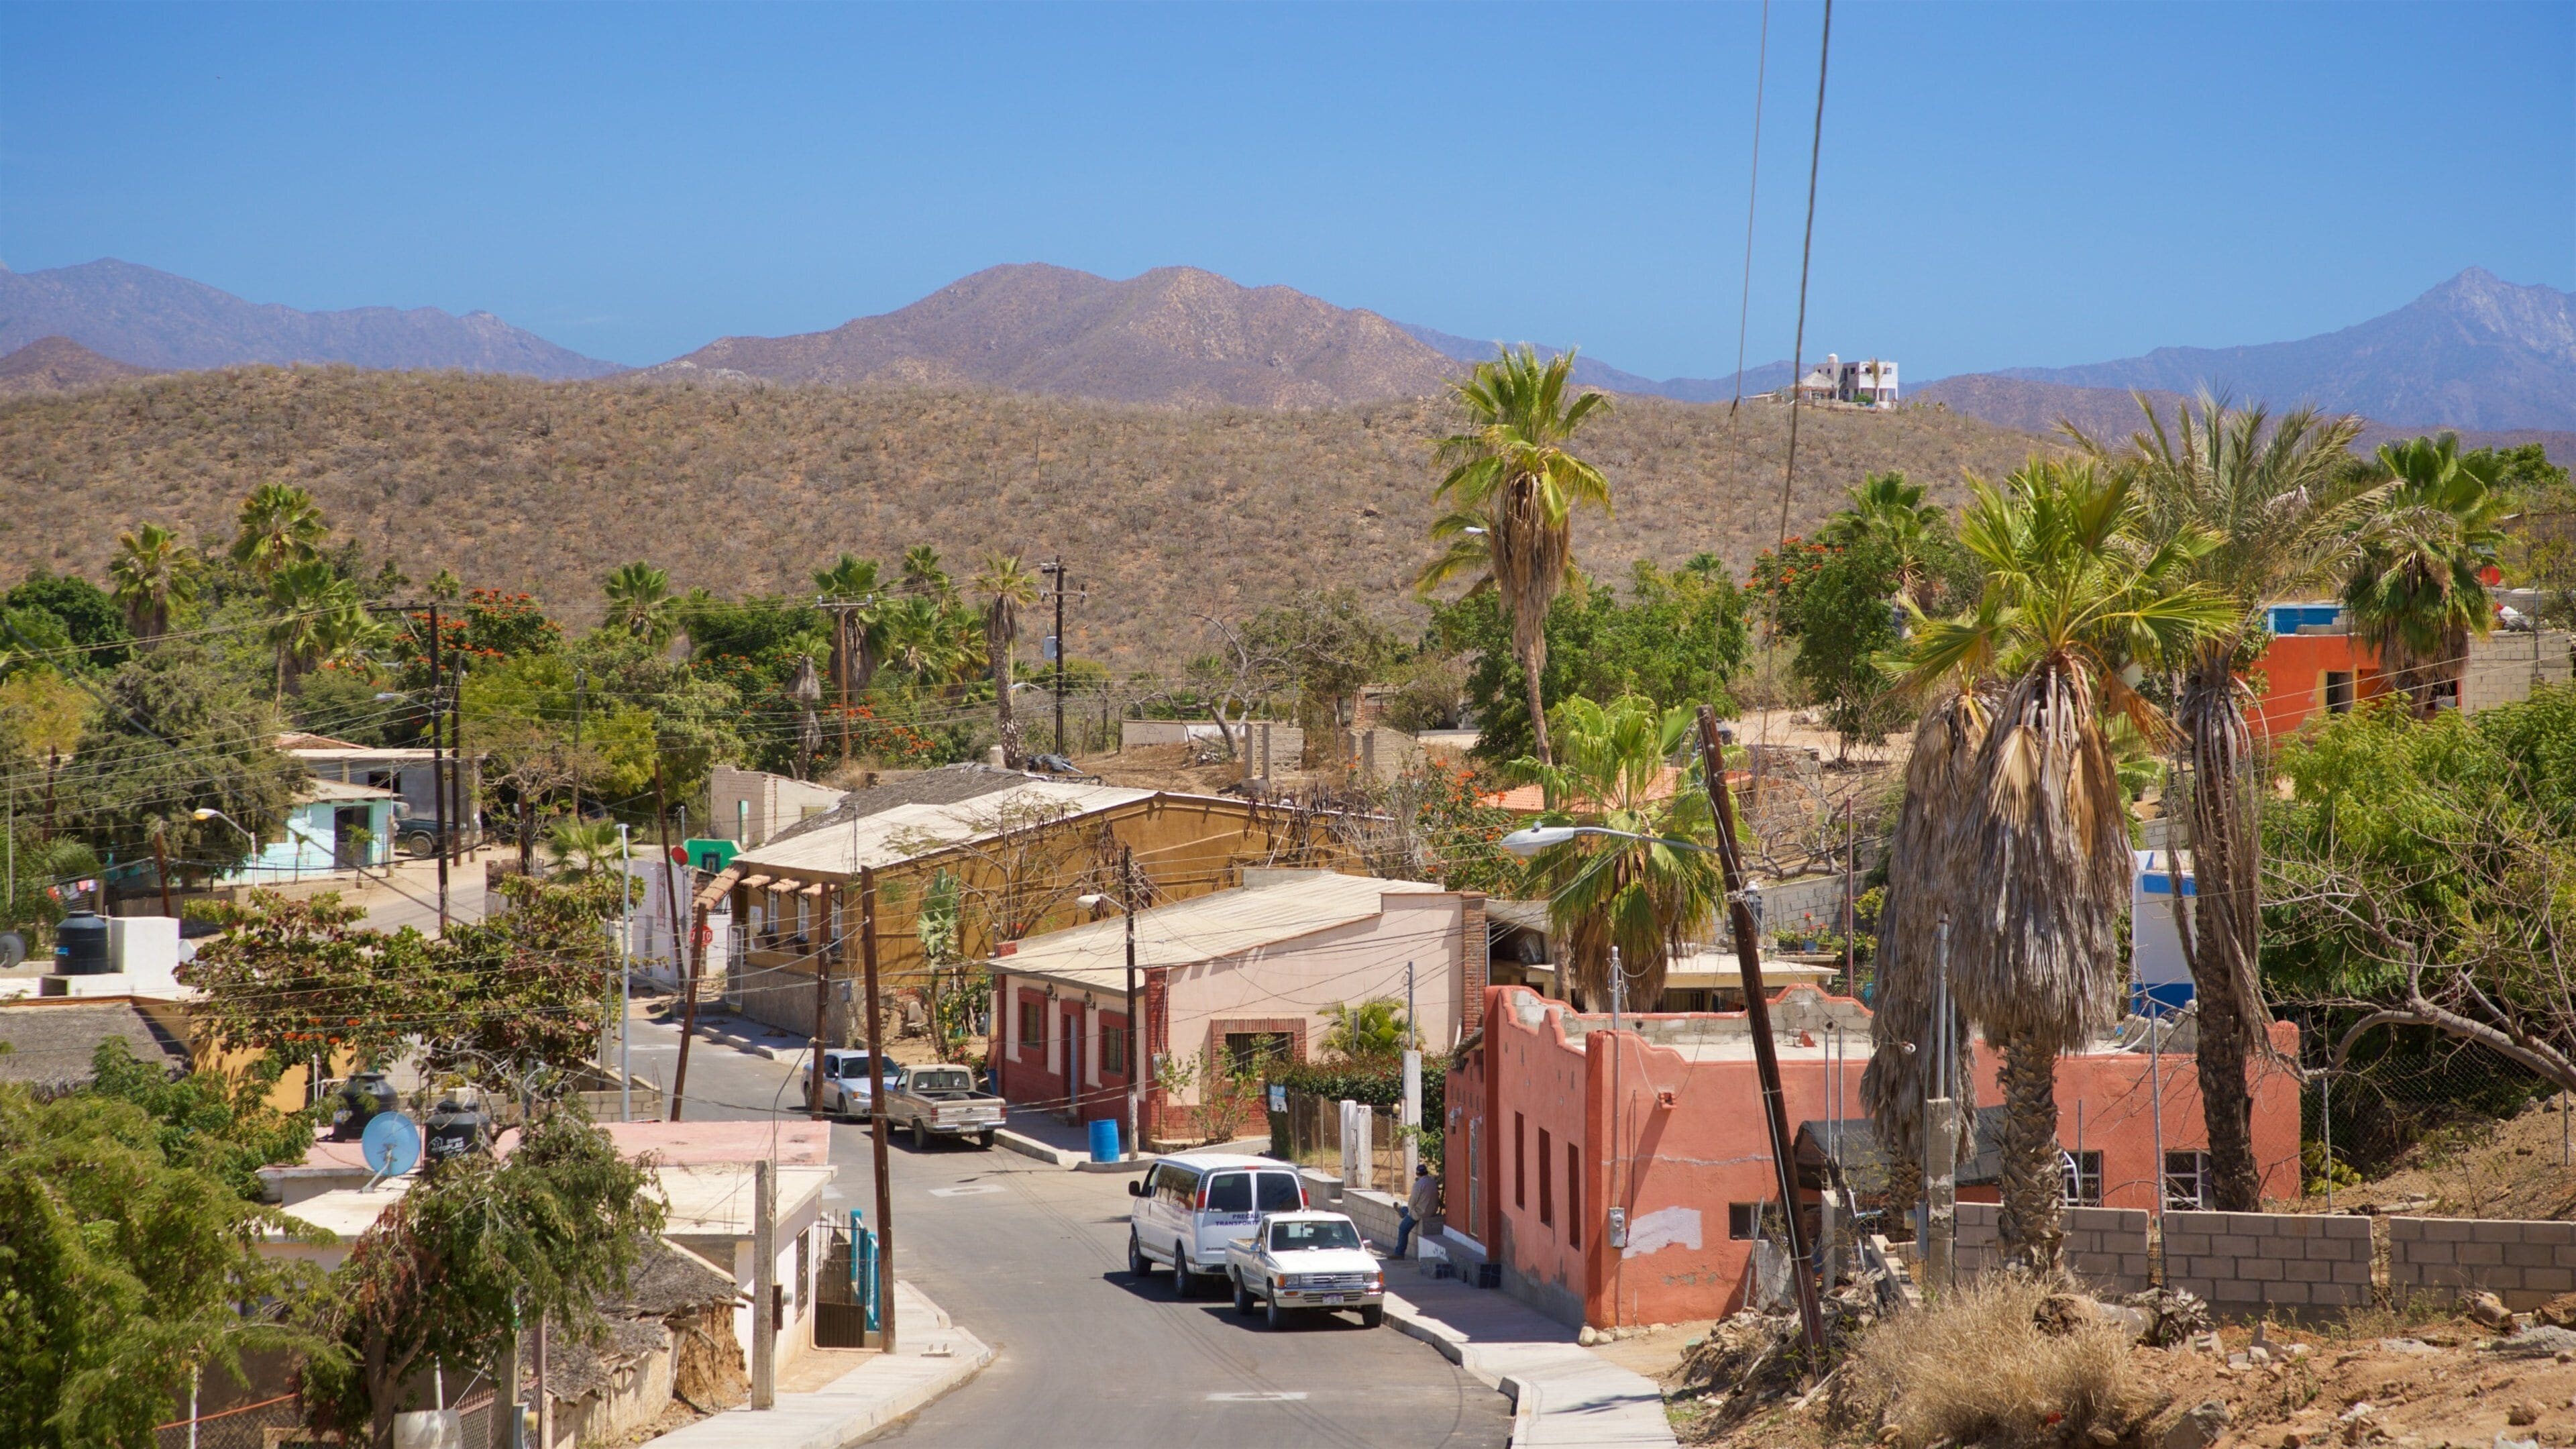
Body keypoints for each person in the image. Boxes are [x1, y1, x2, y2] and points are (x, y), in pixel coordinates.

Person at [1395, 1162, 1442, 1257]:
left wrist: (1410, 1212)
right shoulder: (1432, 1182)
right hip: (1432, 1211)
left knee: (1403, 1229)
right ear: (1427, 1172)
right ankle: (1403, 1210)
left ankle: (1399, 1253)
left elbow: (1412, 1202)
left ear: (1417, 1174)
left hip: (1420, 1213)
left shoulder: (1418, 1184)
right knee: (1407, 1210)